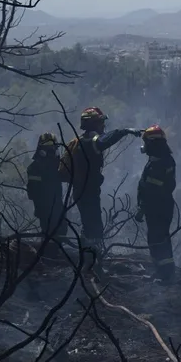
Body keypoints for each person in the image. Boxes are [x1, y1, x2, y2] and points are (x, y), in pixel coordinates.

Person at [59, 107, 143, 254]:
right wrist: (125, 131)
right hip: (87, 191)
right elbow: (104, 141)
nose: (103, 125)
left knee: (87, 225)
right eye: (100, 122)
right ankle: (93, 258)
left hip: (80, 190)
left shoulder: (80, 141)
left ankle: (86, 255)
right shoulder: (89, 141)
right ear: (93, 124)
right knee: (95, 226)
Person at [135, 125, 177, 280]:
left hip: (158, 207)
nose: (144, 146)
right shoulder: (161, 160)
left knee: (158, 239)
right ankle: (162, 272)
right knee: (157, 238)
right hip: (161, 207)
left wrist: (142, 209)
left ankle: (166, 275)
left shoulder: (159, 163)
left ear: (152, 143)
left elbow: (152, 190)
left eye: (146, 142)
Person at [26, 132, 67, 245]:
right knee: (49, 235)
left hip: (57, 206)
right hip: (44, 208)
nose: (51, 151)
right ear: (41, 150)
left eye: (53, 148)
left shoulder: (57, 166)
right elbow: (32, 192)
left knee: (62, 230)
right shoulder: (35, 168)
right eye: (48, 149)